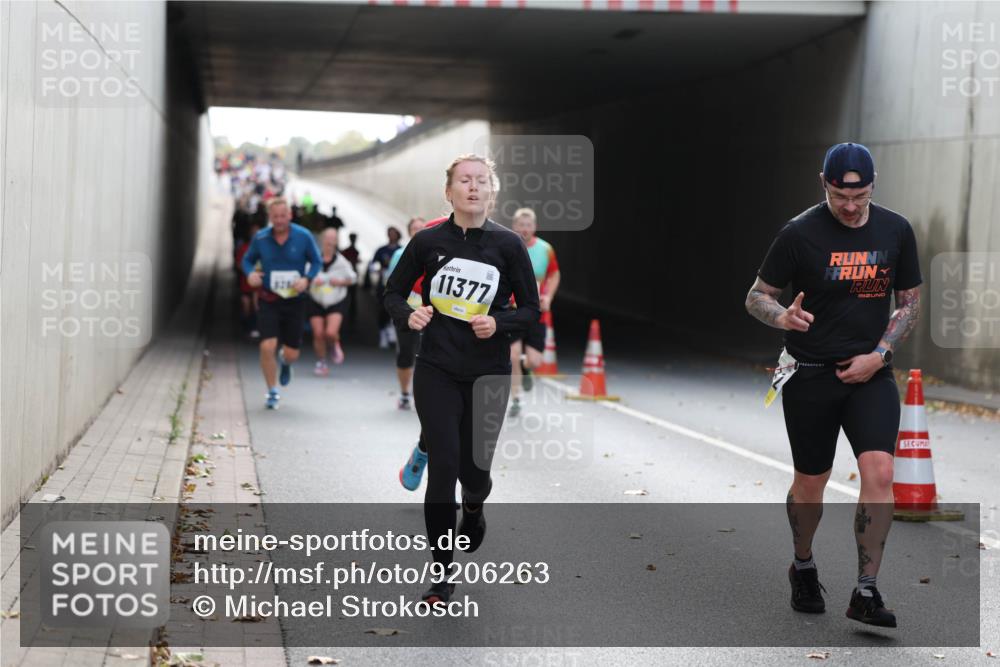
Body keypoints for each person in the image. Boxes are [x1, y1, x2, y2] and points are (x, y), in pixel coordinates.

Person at [744, 143, 921, 628]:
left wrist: (880, 355)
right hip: (810, 375)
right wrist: (782, 315)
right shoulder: (798, 234)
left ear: (873, 185)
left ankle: (866, 589)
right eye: (840, 195)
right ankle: (803, 563)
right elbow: (756, 296)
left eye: (859, 196)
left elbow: (908, 304)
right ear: (823, 181)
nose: (849, 206)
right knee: (811, 482)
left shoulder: (895, 230)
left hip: (872, 373)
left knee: (881, 474)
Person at [383, 155, 539, 604]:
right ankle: (441, 575)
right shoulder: (428, 241)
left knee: (475, 473)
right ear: (448, 191)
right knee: (444, 468)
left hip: (489, 373)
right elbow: (393, 292)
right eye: (464, 181)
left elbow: (531, 310)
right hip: (436, 368)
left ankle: (474, 506)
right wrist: (411, 315)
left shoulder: (509, 246)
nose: (473, 188)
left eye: (481, 181)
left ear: (492, 192)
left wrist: (501, 324)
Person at [242, 197, 322, 410]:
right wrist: (250, 274)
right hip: (269, 299)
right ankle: (272, 391)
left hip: (295, 300)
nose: (279, 220)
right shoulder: (261, 238)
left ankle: (286, 363)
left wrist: (307, 279)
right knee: (267, 345)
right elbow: (247, 260)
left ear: (290, 215)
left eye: (282, 216)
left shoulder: (303, 236)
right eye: (275, 216)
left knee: (291, 353)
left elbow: (316, 261)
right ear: (270, 217)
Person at [507, 207, 560, 417]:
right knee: (512, 356)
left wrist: (548, 297)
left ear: (534, 227)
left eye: (528, 225)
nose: (524, 229)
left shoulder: (545, 249)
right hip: (513, 311)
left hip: (537, 311)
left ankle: (526, 367)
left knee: (534, 361)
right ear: (514, 226)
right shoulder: (508, 246)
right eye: (521, 225)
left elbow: (554, 274)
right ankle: (516, 399)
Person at [308, 228, 357, 376]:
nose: (329, 241)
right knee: (318, 333)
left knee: (330, 332)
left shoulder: (341, 262)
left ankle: (334, 342)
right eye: (327, 238)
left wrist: (340, 282)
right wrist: (311, 279)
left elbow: (353, 278)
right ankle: (321, 362)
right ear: (322, 240)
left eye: (333, 238)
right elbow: (303, 275)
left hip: (336, 300)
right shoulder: (314, 259)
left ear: (336, 241)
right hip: (316, 298)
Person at [369, 226, 404, 348]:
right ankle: (383, 332)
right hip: (383, 283)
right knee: (382, 308)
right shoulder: (381, 250)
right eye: (389, 233)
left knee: (396, 308)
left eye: (394, 233)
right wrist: (377, 270)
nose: (391, 236)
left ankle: (392, 329)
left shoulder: (402, 250)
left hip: (398, 284)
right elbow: (372, 264)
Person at [235, 221, 262, 338]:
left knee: (256, 306)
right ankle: (245, 325)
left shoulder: (263, 248)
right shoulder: (244, 248)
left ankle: (255, 327)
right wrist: (249, 272)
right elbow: (238, 264)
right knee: (246, 306)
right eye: (253, 233)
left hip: (258, 285)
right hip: (245, 283)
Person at [341, 232, 361, 326]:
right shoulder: (352, 251)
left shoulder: (349, 251)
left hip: (350, 276)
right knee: (348, 298)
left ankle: (350, 318)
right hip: (348, 276)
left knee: (351, 298)